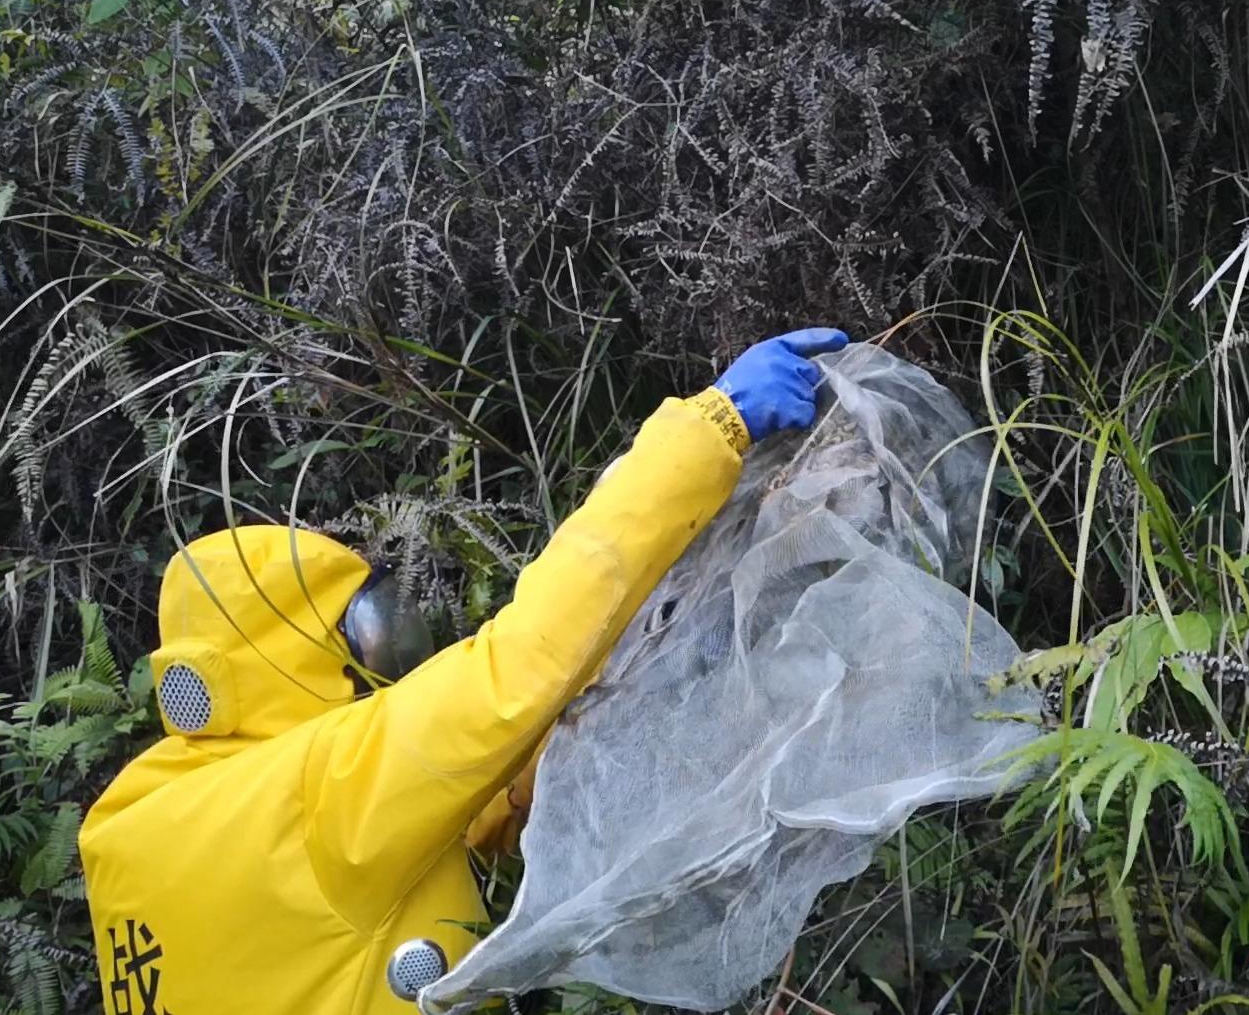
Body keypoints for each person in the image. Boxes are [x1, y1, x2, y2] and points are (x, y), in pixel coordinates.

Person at [78, 327, 850, 1015]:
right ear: (308, 644)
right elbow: (519, 662)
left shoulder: (134, 824)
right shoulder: (319, 793)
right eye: (368, 625)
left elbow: (363, 882)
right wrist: (711, 427)